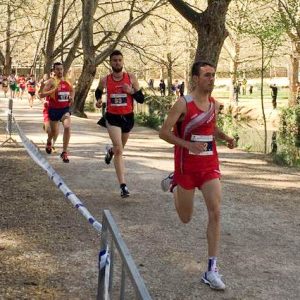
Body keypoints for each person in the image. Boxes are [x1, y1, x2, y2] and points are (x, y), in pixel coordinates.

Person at [159, 61, 236, 291]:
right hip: (186, 168)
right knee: (186, 217)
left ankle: (211, 270)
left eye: (213, 75)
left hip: (209, 166)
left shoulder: (214, 104)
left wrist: (225, 137)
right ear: (195, 78)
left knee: (216, 211)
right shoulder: (183, 104)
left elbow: (210, 129)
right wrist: (187, 145)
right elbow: (164, 132)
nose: (211, 79)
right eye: (206, 75)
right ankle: (174, 183)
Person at [95, 50, 145, 198]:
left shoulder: (131, 77)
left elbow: (141, 99)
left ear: (123, 62)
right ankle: (123, 186)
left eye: (119, 60)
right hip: (112, 117)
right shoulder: (105, 79)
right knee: (119, 150)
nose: (117, 62)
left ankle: (110, 151)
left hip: (128, 117)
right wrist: (98, 100)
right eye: (114, 60)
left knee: (119, 148)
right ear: (110, 62)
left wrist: (131, 91)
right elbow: (98, 92)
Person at [38, 62, 74, 163]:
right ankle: (49, 142)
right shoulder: (51, 82)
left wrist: (72, 97)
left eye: (61, 69)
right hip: (53, 110)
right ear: (54, 71)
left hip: (64, 110)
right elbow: (41, 95)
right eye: (57, 69)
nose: (60, 71)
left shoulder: (67, 81)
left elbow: (72, 90)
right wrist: (53, 90)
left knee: (67, 126)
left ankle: (64, 152)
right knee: (53, 132)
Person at [38, 72, 58, 153]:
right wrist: (43, 101)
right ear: (51, 74)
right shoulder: (47, 83)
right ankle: (49, 139)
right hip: (47, 108)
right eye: (53, 73)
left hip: (57, 109)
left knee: (55, 130)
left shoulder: (62, 82)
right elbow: (39, 94)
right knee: (49, 130)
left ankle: (52, 144)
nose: (54, 75)